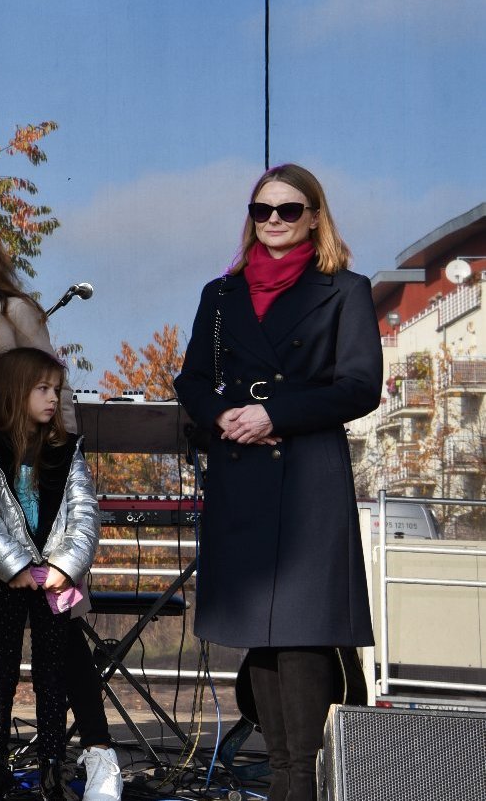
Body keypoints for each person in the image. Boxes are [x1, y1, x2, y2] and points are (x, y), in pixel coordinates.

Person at [174, 164, 379, 801]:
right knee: (258, 632)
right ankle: (279, 773)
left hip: (309, 475)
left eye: (289, 211)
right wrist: (221, 417)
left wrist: (275, 414)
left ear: (315, 216)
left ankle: (299, 782)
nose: (273, 222)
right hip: (242, 471)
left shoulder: (345, 289)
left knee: (302, 628)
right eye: (262, 211)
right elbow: (191, 379)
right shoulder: (221, 294)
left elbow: (359, 386)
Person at [0, 238, 122, 801]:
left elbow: (54, 393)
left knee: (59, 646)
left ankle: (86, 758)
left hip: (33, 494)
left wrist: (55, 449)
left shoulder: (12, 311)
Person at [0, 348, 102, 801]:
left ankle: (53, 771)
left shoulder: (66, 449)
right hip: (3, 579)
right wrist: (14, 566)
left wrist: (64, 566)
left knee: (53, 673)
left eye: (56, 391)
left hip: (53, 581)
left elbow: (85, 513)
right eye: (42, 389)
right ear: (13, 391)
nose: (51, 399)